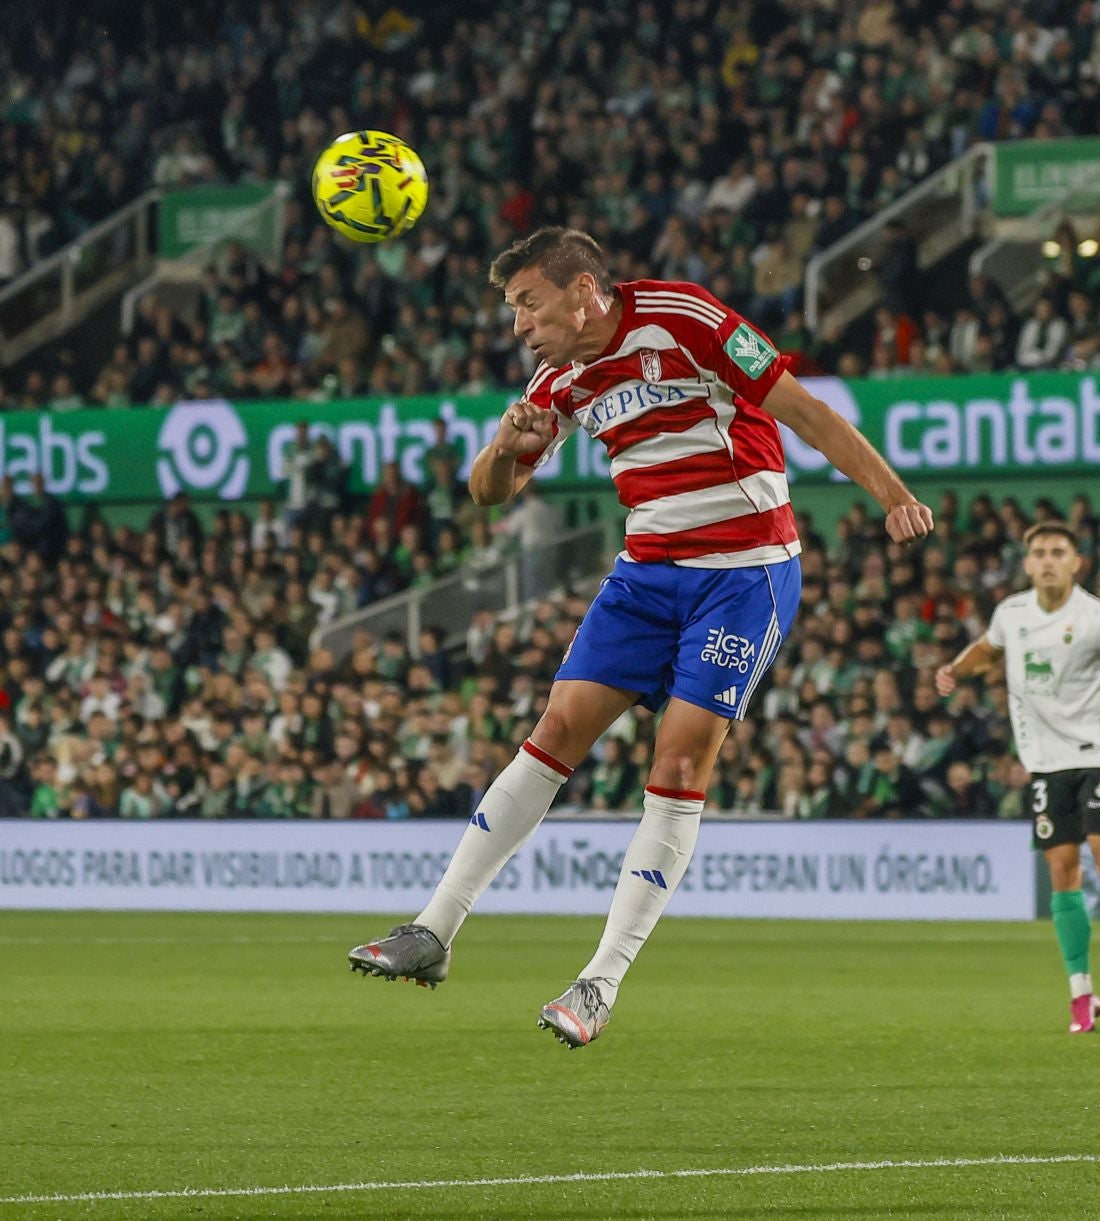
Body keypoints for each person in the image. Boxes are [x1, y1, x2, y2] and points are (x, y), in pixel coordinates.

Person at [348, 227, 933, 1047]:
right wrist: (503, 448)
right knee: (554, 731)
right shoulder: (558, 380)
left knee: (681, 759)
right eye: (511, 308)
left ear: (582, 289)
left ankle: (599, 983)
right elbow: (490, 491)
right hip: (646, 570)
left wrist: (890, 492)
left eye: (527, 302)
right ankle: (433, 930)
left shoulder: (683, 317)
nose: (517, 324)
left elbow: (804, 412)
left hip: (744, 572)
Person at [936, 522, 1100, 1034]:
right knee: (1062, 868)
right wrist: (956, 668)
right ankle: (1080, 993)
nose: (1047, 560)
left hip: (1097, 755)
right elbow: (987, 649)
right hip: (1044, 763)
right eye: (1039, 553)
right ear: (1026, 565)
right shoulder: (1012, 614)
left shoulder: (1097, 619)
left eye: (1057, 552)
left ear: (1076, 563)